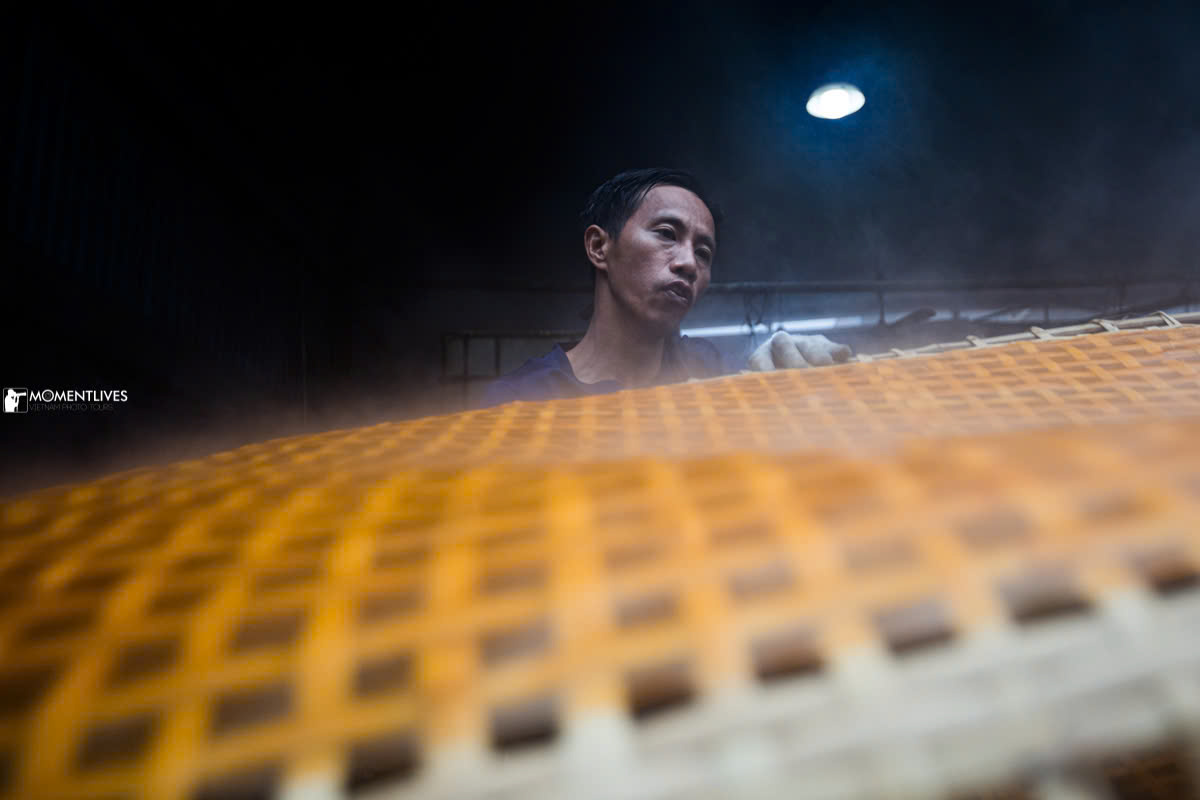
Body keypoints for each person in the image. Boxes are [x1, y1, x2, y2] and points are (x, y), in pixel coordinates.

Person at [482, 168, 850, 407]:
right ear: (599, 247)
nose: (689, 264)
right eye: (666, 234)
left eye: (703, 253)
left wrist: (793, 360)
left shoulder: (718, 372)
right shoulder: (519, 401)